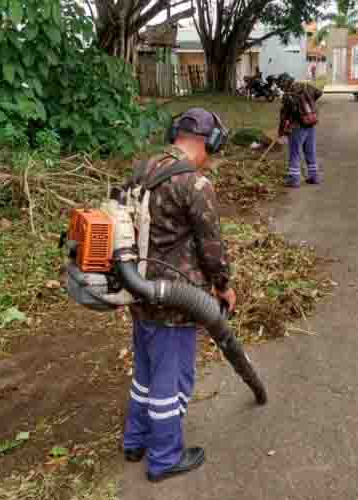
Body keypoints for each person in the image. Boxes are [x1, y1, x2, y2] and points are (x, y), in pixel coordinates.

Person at [122, 108, 236, 483]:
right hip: (176, 299)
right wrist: (223, 285)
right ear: (210, 141)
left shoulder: (144, 169)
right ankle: (165, 457)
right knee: (172, 381)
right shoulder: (194, 184)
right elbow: (211, 246)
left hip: (137, 289)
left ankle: (135, 440)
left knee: (145, 372)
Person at [278, 79, 323, 187]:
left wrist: (281, 130)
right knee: (310, 151)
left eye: (281, 86)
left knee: (295, 153)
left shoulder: (288, 96)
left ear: (284, 85)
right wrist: (311, 103)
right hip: (311, 124)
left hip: (297, 127)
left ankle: (294, 179)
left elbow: (284, 114)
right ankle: (314, 177)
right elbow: (319, 92)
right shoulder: (306, 87)